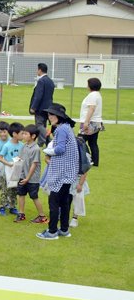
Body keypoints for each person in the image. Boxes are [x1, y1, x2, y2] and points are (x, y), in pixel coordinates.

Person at [37, 104, 79, 240]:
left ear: (59, 116)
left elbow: (60, 149)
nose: (50, 117)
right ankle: (64, 230)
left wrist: (46, 151)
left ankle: (52, 231)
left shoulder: (61, 129)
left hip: (61, 174)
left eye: (52, 114)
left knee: (54, 202)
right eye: (49, 115)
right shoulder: (67, 128)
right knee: (65, 202)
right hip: (69, 173)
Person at [14, 124, 47, 224]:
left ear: (33, 136)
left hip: (32, 179)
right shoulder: (24, 146)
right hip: (22, 176)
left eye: (25, 134)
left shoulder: (36, 149)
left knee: (34, 196)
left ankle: (42, 216)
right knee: (21, 194)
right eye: (23, 133)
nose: (23, 135)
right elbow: (19, 159)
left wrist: (28, 178)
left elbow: (34, 165)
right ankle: (21, 214)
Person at [0, 122, 24, 216]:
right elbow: (0, 157)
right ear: (14, 134)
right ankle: (2, 206)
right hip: (7, 170)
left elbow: (22, 156)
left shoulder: (21, 145)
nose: (23, 135)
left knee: (14, 189)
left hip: (17, 170)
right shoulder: (7, 145)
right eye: (21, 133)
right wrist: (8, 163)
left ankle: (12, 206)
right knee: (5, 189)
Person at [78, 77, 103, 167]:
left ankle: (84, 159)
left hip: (90, 122)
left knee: (80, 141)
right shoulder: (98, 95)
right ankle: (95, 161)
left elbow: (91, 108)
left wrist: (86, 122)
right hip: (96, 122)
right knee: (93, 142)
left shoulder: (92, 95)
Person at [29, 63, 55, 147]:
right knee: (43, 124)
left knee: (39, 125)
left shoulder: (41, 81)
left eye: (37, 69)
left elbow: (38, 96)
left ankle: (50, 139)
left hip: (40, 107)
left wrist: (33, 107)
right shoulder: (50, 81)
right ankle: (40, 143)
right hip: (48, 107)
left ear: (40, 70)